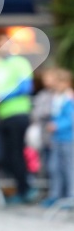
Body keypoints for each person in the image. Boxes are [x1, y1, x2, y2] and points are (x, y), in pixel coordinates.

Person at [0, 33, 37, 204]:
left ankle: (26, 189)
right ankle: (22, 186)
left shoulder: (20, 62)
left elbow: (26, 86)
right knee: (5, 156)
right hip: (2, 115)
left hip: (18, 113)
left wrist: (2, 96)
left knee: (17, 154)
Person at [41, 68, 74, 207]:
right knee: (54, 167)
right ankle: (56, 194)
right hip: (56, 138)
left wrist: (57, 125)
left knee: (69, 168)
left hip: (68, 137)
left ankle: (71, 196)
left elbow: (71, 118)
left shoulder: (69, 98)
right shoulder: (56, 97)